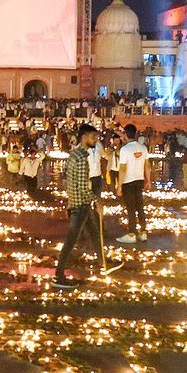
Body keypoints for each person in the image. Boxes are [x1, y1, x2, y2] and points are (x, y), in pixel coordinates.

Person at [54, 124, 119, 289]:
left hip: (80, 202)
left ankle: (103, 264)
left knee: (95, 233)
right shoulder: (82, 158)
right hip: (81, 205)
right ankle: (58, 276)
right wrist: (97, 201)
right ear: (84, 137)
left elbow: (71, 181)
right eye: (92, 136)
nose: (96, 139)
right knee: (71, 241)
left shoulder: (74, 154)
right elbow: (83, 187)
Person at [116, 124, 151, 244]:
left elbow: (122, 169)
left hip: (128, 181)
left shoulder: (125, 149)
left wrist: (119, 185)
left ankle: (131, 234)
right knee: (140, 207)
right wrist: (148, 181)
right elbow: (147, 165)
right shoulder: (143, 148)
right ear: (135, 133)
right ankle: (143, 232)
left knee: (131, 208)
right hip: (139, 180)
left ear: (125, 134)